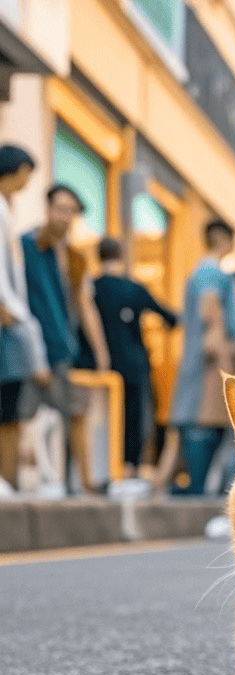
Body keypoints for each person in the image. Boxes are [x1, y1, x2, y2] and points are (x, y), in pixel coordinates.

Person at [21, 183, 111, 493]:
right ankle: (17, 481)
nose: (64, 216)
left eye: (70, 211)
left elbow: (86, 306)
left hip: (63, 348)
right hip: (30, 344)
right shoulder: (29, 246)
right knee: (19, 415)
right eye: (60, 208)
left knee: (75, 413)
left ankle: (81, 484)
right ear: (47, 208)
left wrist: (100, 351)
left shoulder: (75, 257)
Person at [168, 218, 235, 495]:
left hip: (205, 367)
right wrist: (229, 372)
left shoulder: (204, 273)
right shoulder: (211, 275)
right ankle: (193, 494)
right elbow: (211, 317)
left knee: (198, 428)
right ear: (223, 240)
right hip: (210, 369)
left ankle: (189, 491)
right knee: (203, 425)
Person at [92, 237, 178, 477]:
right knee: (134, 416)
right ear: (120, 256)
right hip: (134, 362)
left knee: (103, 416)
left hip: (100, 365)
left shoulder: (92, 288)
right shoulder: (134, 289)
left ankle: (104, 467)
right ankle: (129, 467)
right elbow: (168, 317)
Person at [0, 145, 49, 490]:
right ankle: (6, 480)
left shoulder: (6, 208)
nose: (27, 181)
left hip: (11, 317)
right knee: (7, 410)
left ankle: (9, 481)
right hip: (8, 319)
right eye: (26, 173)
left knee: (11, 409)